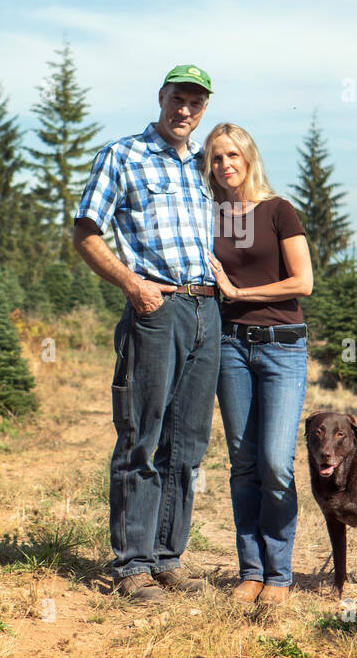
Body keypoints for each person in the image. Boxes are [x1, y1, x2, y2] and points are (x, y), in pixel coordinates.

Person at [73, 65, 220, 604]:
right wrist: (134, 285)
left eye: (195, 104)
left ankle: (167, 557)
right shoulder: (123, 156)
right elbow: (86, 231)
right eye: (178, 99)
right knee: (144, 436)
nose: (185, 111)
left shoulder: (205, 165)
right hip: (156, 310)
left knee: (189, 444)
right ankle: (132, 564)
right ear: (161, 97)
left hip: (207, 311)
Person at [204, 123, 313, 604]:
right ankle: (251, 572)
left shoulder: (277, 211)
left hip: (282, 346)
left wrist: (238, 293)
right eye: (214, 158)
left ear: (249, 157)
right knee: (244, 464)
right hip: (231, 347)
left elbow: (302, 282)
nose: (224, 165)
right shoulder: (211, 217)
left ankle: (280, 574)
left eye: (232, 155)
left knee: (275, 463)